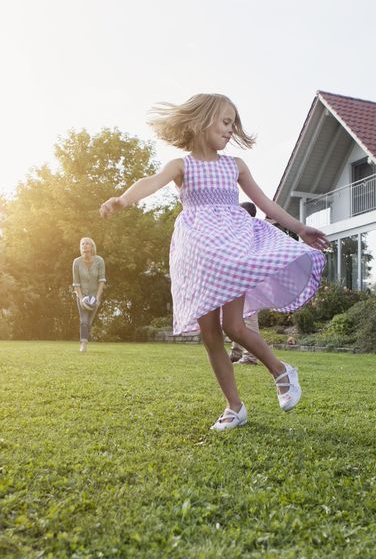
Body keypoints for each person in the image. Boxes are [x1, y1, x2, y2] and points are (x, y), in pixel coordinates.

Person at [100, 94, 327, 431]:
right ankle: (235, 407)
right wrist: (123, 199)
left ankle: (281, 370)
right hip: (198, 256)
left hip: (231, 250)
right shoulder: (182, 166)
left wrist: (298, 228)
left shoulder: (234, 165)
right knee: (210, 335)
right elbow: (150, 182)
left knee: (234, 326)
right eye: (224, 121)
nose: (230, 129)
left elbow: (265, 202)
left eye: (233, 123)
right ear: (201, 120)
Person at [230, 202, 259, 365]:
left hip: (247, 278)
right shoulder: (240, 231)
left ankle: (250, 356)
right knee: (235, 317)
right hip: (238, 277)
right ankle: (236, 352)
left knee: (248, 316)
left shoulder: (251, 231)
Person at [72, 236, 106, 353]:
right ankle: (83, 344)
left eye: (87, 243)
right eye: (82, 244)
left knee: (89, 322)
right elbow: (76, 283)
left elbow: (101, 281)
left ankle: (85, 339)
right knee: (84, 320)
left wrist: (97, 298)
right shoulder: (76, 262)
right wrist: (81, 299)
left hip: (95, 296)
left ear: (92, 247)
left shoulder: (99, 261)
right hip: (81, 296)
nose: (84, 245)